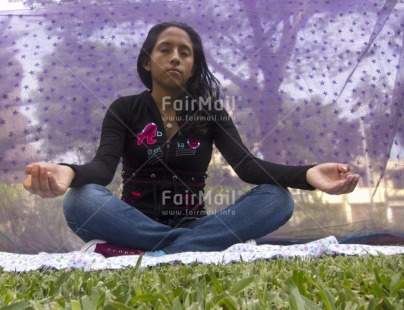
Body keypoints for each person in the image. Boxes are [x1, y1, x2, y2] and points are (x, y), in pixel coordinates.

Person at [23, 21, 359, 257]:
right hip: (130, 223)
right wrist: (68, 173)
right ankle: (189, 246)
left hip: (197, 222)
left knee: (277, 199)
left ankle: (161, 248)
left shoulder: (210, 112)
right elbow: (101, 169)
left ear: (193, 65)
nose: (175, 57)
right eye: (165, 50)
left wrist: (308, 174)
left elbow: (249, 167)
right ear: (147, 61)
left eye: (185, 53)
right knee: (80, 201)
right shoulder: (124, 109)